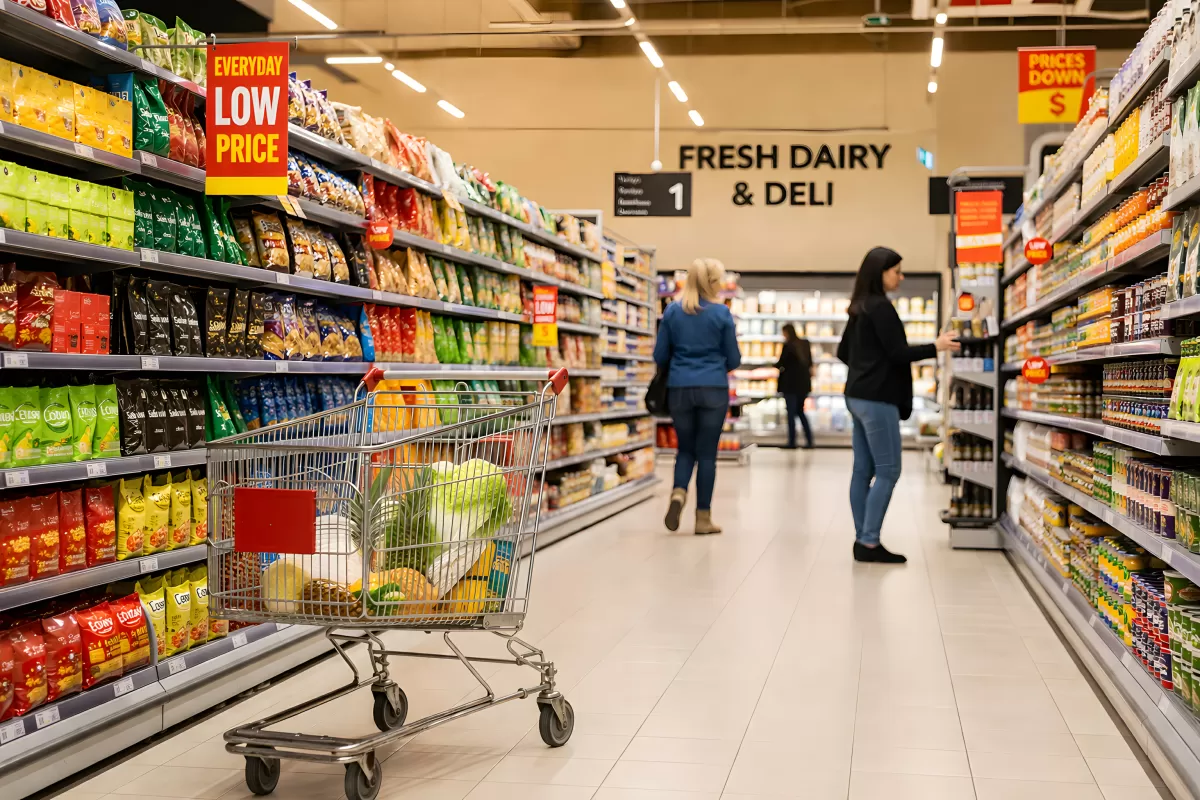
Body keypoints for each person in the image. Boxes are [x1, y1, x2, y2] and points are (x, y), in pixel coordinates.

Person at [837, 247, 960, 563]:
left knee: (862, 470)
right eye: (897, 271)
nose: (901, 277)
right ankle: (869, 542)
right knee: (889, 470)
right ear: (880, 273)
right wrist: (937, 346)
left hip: (856, 396)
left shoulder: (859, 307)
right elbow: (898, 353)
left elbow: (843, 352)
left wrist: (866, 367)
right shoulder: (881, 308)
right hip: (877, 399)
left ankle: (862, 538)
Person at [654, 258, 741, 535]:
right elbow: (734, 359)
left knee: (685, 450)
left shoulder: (672, 312)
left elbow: (659, 355)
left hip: (679, 388)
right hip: (713, 389)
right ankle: (703, 518)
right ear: (713, 283)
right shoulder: (721, 313)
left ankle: (679, 493)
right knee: (706, 455)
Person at [776, 323, 815, 449]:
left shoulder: (788, 345)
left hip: (790, 384)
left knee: (791, 414)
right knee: (800, 412)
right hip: (803, 384)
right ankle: (809, 440)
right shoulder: (805, 344)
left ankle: (792, 441)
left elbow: (781, 363)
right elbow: (810, 363)